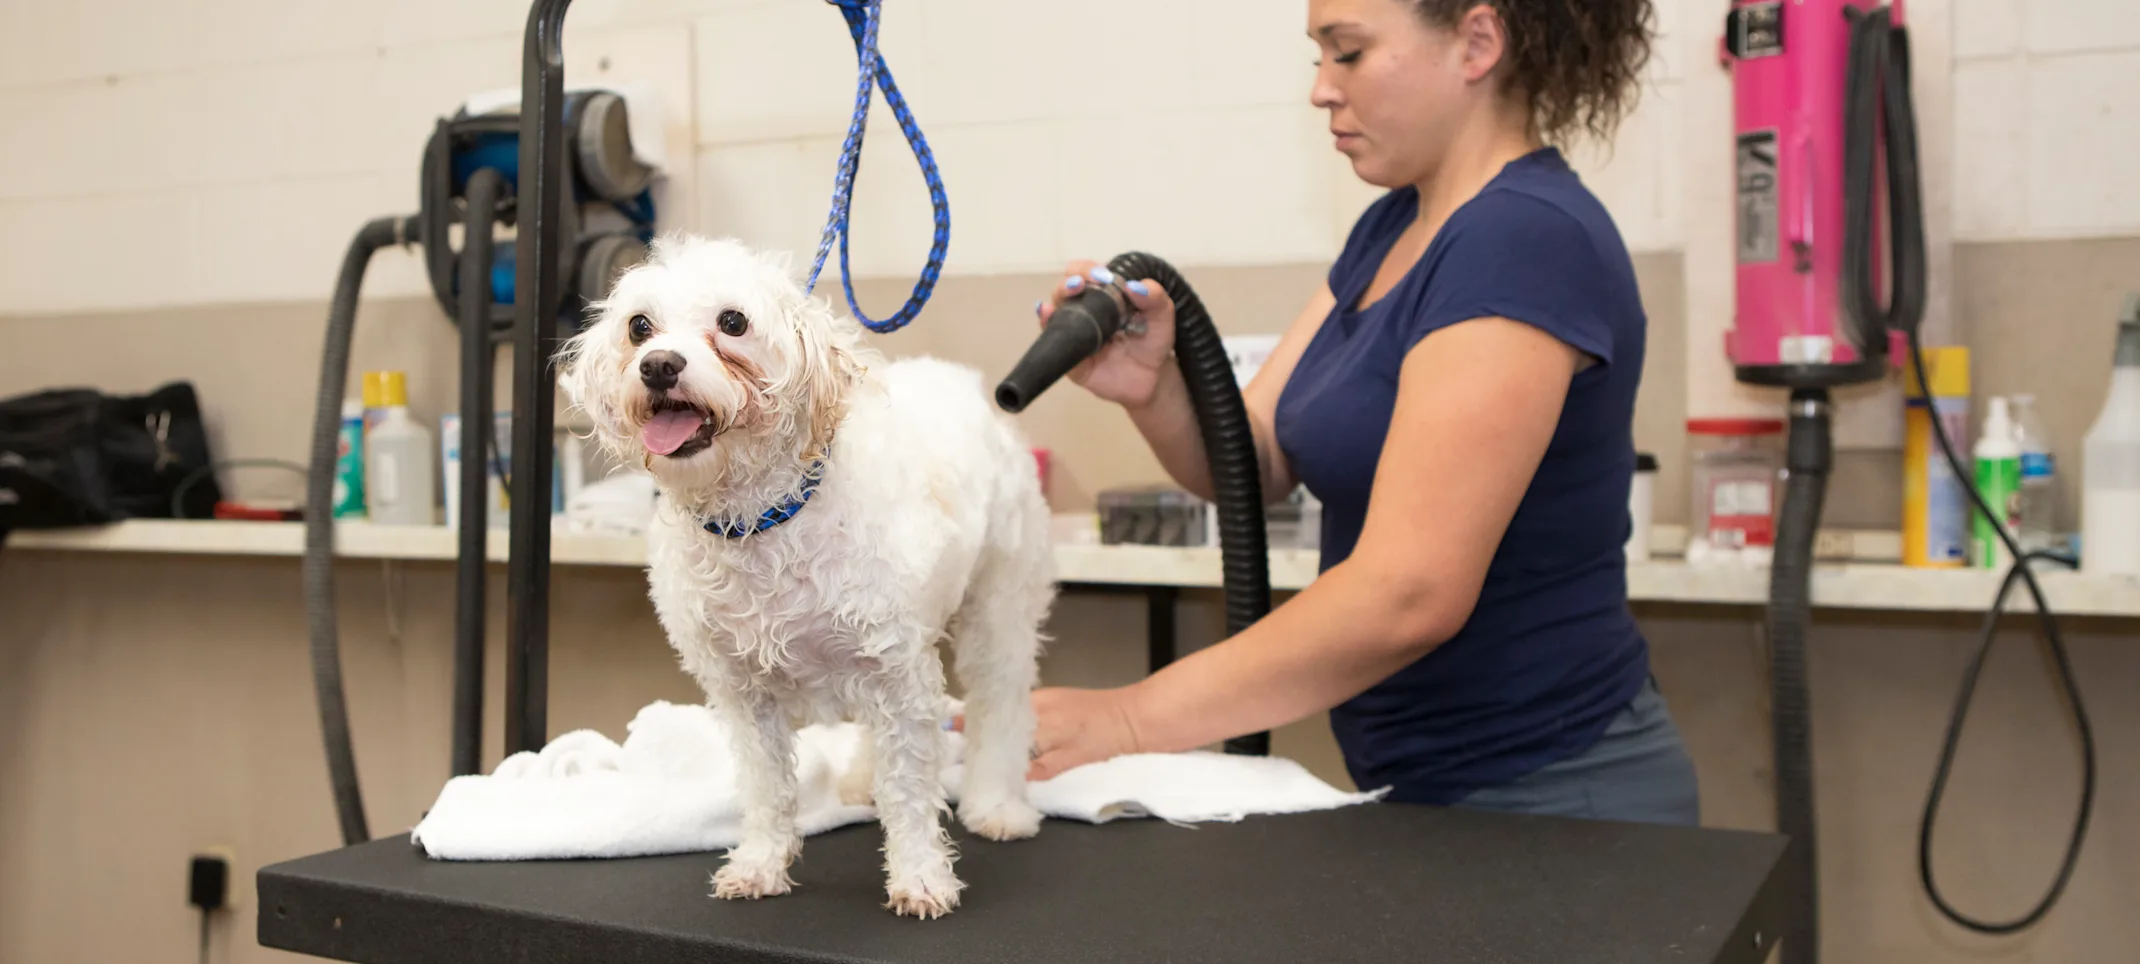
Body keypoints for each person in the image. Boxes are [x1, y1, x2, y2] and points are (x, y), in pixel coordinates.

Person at [1021, 0, 1699, 825]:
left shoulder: (1520, 239)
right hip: (1424, 784)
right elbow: (1252, 462)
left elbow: (1409, 594)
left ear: (1477, 43)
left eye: (1347, 53)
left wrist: (1127, 720)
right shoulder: (1393, 230)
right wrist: (1152, 386)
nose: (1321, 90)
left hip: (1553, 798)